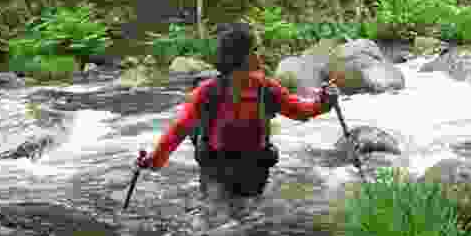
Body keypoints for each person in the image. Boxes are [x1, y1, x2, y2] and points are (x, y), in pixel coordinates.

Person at [137, 22, 340, 220]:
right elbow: (180, 128)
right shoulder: (208, 91)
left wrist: (324, 102)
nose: (259, 54)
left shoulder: (267, 88)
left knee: (245, 223)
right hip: (217, 170)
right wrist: (155, 161)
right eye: (255, 49)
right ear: (241, 55)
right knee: (219, 225)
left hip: (254, 171)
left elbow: (300, 111)